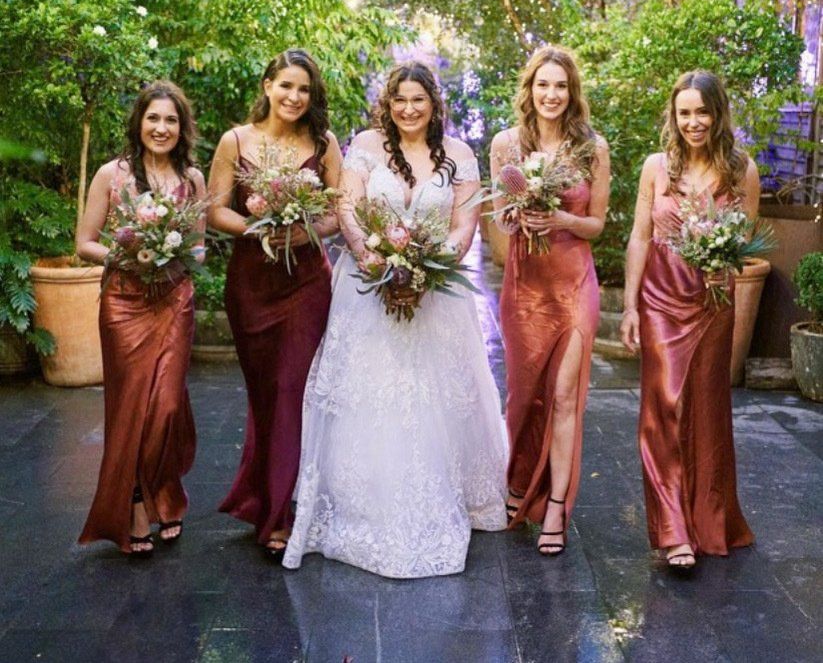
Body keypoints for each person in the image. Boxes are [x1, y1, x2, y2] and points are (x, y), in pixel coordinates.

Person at [283, 61, 507, 578]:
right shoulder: (364, 145)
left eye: (418, 100)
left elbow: (464, 225)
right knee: (371, 395)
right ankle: (362, 502)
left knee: (431, 397)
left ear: (434, 105)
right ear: (388, 104)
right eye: (400, 100)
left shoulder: (459, 155)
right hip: (367, 291)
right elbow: (349, 208)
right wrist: (376, 263)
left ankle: (442, 493)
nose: (408, 109)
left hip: (435, 296)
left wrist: (426, 271)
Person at [207, 49, 342, 560]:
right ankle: (263, 496)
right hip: (250, 284)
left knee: (293, 388)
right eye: (286, 85)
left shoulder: (323, 143)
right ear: (267, 86)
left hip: (306, 282)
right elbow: (215, 210)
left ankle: (283, 514)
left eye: (304, 89)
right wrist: (259, 228)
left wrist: (303, 234)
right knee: (265, 393)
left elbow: (338, 210)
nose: (294, 97)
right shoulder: (235, 141)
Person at [620, 70, 758, 570]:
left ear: (718, 114)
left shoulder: (742, 171)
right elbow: (639, 237)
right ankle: (673, 529)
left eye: (702, 112)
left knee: (707, 410)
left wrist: (724, 258)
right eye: (684, 113)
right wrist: (631, 305)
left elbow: (745, 243)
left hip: (714, 302)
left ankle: (711, 520)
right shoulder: (656, 168)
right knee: (662, 410)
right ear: (673, 117)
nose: (693, 122)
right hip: (660, 297)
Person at [490, 45, 610, 555]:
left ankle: (557, 506)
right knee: (522, 396)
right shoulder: (505, 145)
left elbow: (598, 225)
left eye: (561, 86)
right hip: (524, 286)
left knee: (565, 396)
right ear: (530, 89)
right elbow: (498, 219)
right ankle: (519, 480)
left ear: (572, 92)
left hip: (574, 282)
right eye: (543, 84)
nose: (552, 94)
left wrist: (559, 219)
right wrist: (521, 214)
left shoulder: (592, 148)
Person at [78, 80, 206, 557]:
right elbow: (85, 242)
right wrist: (133, 253)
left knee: (167, 406)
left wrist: (169, 255)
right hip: (124, 301)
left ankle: (165, 488)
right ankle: (134, 500)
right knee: (131, 408)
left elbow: (197, 248)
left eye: (171, 119)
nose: (161, 127)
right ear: (138, 122)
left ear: (181, 127)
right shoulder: (112, 175)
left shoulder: (192, 179)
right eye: (153, 118)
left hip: (174, 299)